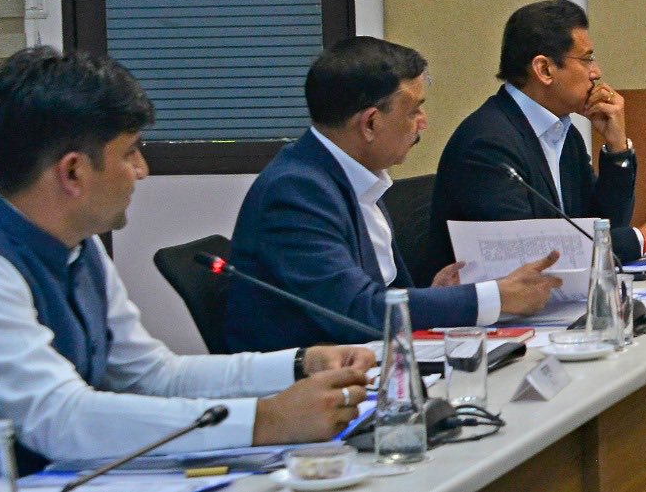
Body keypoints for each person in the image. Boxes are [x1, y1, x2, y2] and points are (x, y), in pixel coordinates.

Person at [0, 47, 374, 470]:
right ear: (73, 172)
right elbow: (60, 418)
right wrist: (266, 421)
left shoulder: (78, 244)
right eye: (130, 152)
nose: (142, 170)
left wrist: (301, 364)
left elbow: (151, 375)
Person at [225, 37, 564, 352]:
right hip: (312, 382)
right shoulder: (296, 193)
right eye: (413, 110)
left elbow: (384, 296)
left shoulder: (354, 175)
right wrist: (493, 298)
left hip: (375, 357)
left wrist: (434, 296)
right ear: (370, 123)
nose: (423, 122)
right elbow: (357, 312)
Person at [426, 0, 646, 272]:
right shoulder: (487, 144)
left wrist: (617, 149)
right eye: (586, 59)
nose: (596, 73)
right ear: (544, 69)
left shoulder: (563, 133)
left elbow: (602, 225)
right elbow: (525, 258)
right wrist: (640, 240)